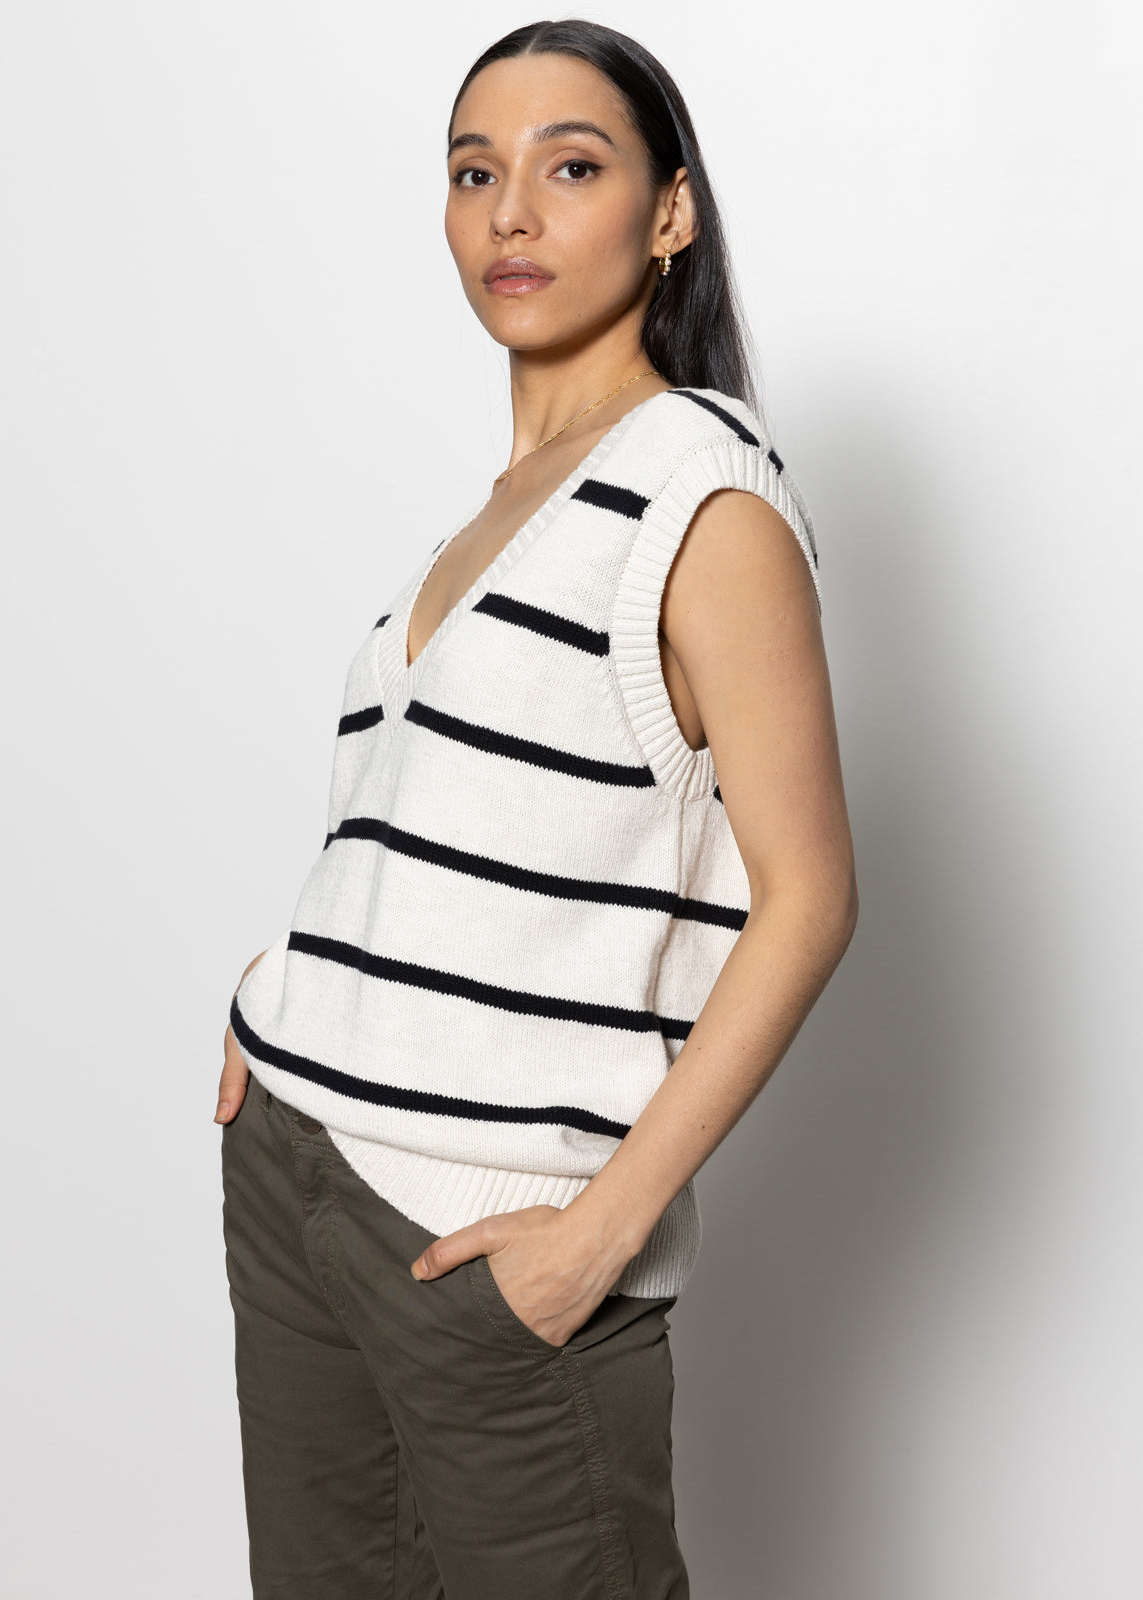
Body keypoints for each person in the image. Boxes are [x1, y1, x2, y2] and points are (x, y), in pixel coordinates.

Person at [216, 17, 857, 1600]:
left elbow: (810, 899)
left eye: (571, 168)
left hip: (490, 1233)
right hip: (295, 1168)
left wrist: (602, 1233)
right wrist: (285, 992)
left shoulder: (700, 494)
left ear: (668, 212)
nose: (510, 212)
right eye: (472, 173)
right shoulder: (502, 508)